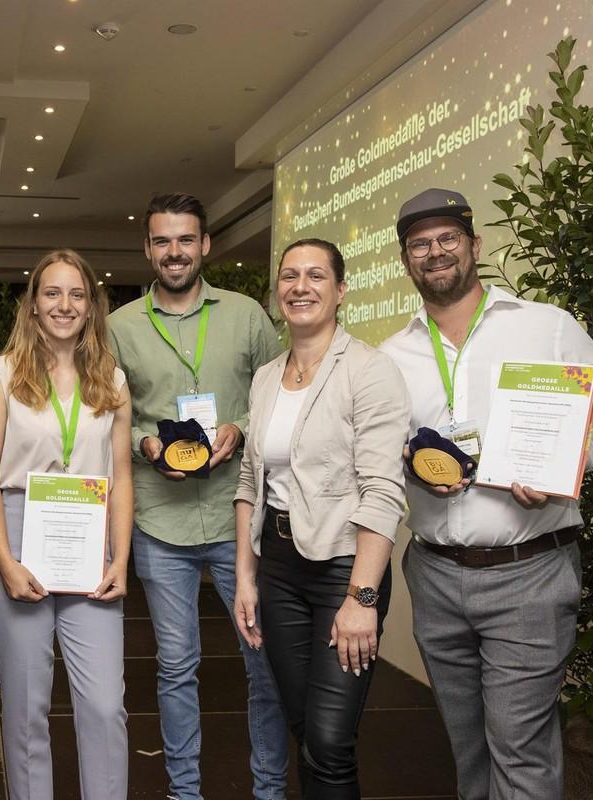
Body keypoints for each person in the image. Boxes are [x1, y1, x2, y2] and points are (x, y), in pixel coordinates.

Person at [378, 188, 593, 800]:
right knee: (468, 748)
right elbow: (383, 451)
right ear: (406, 261)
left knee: (519, 748)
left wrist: (564, 469)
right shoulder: (391, 356)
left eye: (447, 239)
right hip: (436, 573)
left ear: (474, 245)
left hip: (530, 570)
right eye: (420, 245)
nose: (436, 253)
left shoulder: (544, 326)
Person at [108, 192, 288, 800]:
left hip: (242, 521)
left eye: (185, 239)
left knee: (262, 666)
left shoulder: (246, 316)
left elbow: (279, 397)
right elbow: (109, 415)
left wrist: (238, 424)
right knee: (175, 670)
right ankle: (185, 793)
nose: (174, 252)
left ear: (205, 245)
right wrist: (147, 446)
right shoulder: (119, 327)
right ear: (149, 249)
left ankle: (268, 789)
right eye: (162, 241)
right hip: (162, 524)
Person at [232, 239, 409, 799]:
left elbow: (383, 490)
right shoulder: (265, 378)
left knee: (331, 741)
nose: (299, 286)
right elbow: (248, 483)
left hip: (342, 570)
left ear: (340, 289)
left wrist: (362, 599)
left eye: (315, 276)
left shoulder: (369, 370)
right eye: (289, 276)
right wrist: (245, 576)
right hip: (279, 570)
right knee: (306, 730)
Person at [0, 249, 133, 799]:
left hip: (91, 542)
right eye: (52, 293)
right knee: (24, 710)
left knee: (106, 706)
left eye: (77, 294)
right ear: (33, 305)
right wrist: (5, 561)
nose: (65, 305)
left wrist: (120, 558)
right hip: (16, 537)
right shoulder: (1, 375)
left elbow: (123, 475)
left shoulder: (110, 379)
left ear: (91, 307)